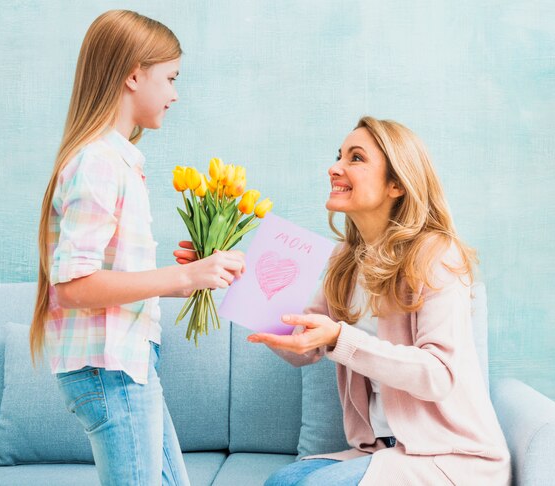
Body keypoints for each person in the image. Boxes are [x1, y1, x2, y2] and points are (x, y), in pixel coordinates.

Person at [29, 10, 245, 486]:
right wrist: (185, 277)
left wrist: (188, 276)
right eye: (169, 78)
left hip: (124, 363)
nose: (174, 93)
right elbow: (74, 286)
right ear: (132, 75)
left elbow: (101, 276)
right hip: (111, 367)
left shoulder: (115, 160)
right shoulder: (99, 162)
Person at [246, 116, 511, 485]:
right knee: (282, 481)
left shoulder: (436, 255)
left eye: (355, 158)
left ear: (397, 184)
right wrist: (251, 297)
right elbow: (302, 347)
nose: (334, 167)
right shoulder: (345, 260)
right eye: (339, 155)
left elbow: (439, 374)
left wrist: (339, 338)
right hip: (384, 450)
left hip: (449, 455)